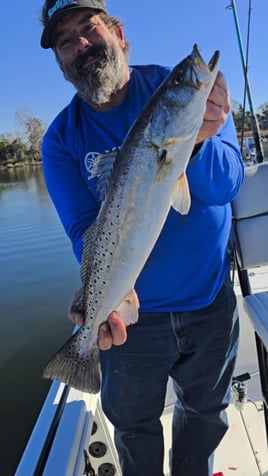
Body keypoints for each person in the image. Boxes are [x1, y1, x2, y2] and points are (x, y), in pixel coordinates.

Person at [40, 1, 244, 475]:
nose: (81, 46)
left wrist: (196, 141)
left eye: (88, 29)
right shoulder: (60, 139)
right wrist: (101, 296)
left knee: (204, 416)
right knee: (133, 428)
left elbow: (226, 186)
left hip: (210, 300)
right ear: (60, 61)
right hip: (132, 324)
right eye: (66, 42)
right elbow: (83, 232)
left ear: (119, 33)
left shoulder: (186, 94)